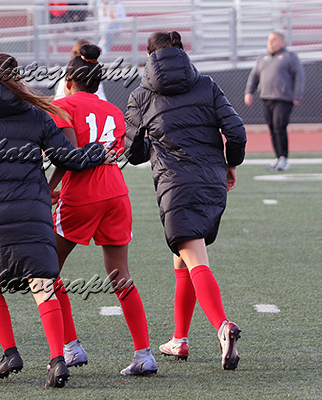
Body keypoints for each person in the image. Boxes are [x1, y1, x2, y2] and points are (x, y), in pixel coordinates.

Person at [0, 53, 114, 387]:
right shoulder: (37, 115)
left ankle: (10, 352)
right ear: (17, 77)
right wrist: (97, 151)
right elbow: (69, 159)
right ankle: (57, 360)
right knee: (42, 284)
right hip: (32, 210)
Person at [125, 31, 247, 371]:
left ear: (150, 57)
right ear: (181, 52)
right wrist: (231, 163)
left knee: (193, 258)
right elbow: (236, 131)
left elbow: (133, 152)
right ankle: (179, 339)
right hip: (211, 180)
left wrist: (152, 144)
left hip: (175, 184)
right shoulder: (206, 84)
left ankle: (222, 326)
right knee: (184, 259)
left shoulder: (141, 95)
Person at [47, 43, 157, 377]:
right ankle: (144, 354)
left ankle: (70, 347)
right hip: (116, 192)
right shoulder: (112, 110)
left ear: (68, 80)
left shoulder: (61, 105)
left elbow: (68, 155)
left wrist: (49, 186)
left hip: (82, 192)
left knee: (47, 271)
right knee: (120, 275)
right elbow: (113, 152)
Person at [244, 32, 305, 171]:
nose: (270, 42)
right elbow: (254, 76)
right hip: (266, 97)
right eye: (269, 40)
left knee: (279, 125)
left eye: (274, 39)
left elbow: (299, 76)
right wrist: (249, 92)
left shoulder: (290, 57)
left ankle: (284, 158)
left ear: (282, 42)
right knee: (272, 127)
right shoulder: (262, 58)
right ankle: (278, 157)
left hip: (283, 98)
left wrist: (297, 95)